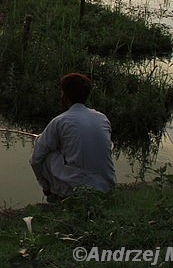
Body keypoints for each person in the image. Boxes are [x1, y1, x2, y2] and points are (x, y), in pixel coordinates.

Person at [29, 73, 116, 202]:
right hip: (107, 186)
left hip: (77, 190)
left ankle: (53, 193)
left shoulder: (59, 121)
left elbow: (35, 160)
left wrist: (44, 185)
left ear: (65, 96)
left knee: (44, 153)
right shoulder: (102, 118)